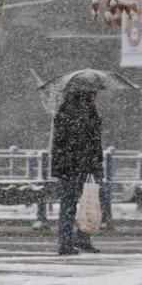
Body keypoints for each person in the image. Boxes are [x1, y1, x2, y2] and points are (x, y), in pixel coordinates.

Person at [51, 90, 104, 256]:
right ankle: (81, 238)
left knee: (68, 204)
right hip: (83, 165)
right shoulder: (88, 112)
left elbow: (59, 141)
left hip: (66, 166)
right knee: (87, 202)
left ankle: (66, 242)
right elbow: (93, 141)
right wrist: (95, 165)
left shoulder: (63, 110)